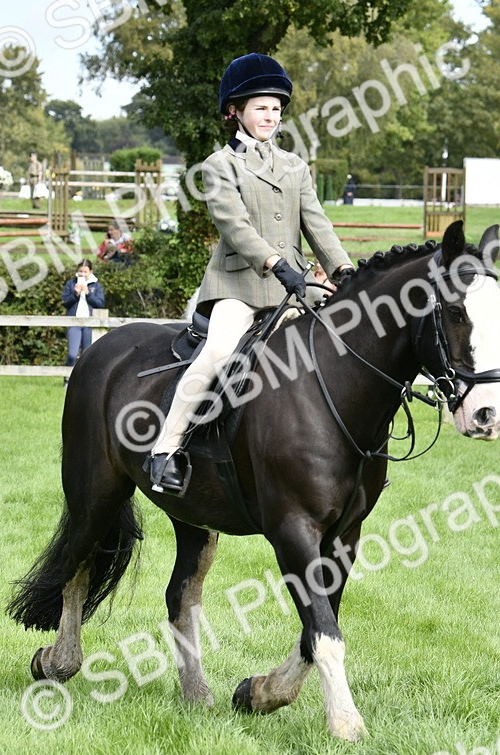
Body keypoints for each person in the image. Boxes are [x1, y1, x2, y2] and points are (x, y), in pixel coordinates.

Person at [146, 52, 355, 495]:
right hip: (239, 285)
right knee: (218, 353)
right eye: (261, 107)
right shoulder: (219, 166)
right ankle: (165, 450)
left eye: (276, 109)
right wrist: (278, 265)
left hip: (297, 286)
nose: (270, 116)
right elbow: (236, 227)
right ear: (234, 111)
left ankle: (355, 451)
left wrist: (345, 270)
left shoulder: (295, 166)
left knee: (350, 339)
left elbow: (318, 224)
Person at [62, 260, 105, 380]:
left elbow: (100, 304)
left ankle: (84, 381)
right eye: (80, 271)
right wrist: (75, 294)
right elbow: (65, 302)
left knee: (87, 355)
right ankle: (67, 379)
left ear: (90, 272)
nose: (82, 274)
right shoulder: (71, 284)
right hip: (74, 322)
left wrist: (88, 294)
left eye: (85, 271)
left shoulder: (96, 286)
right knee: (72, 354)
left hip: (90, 324)